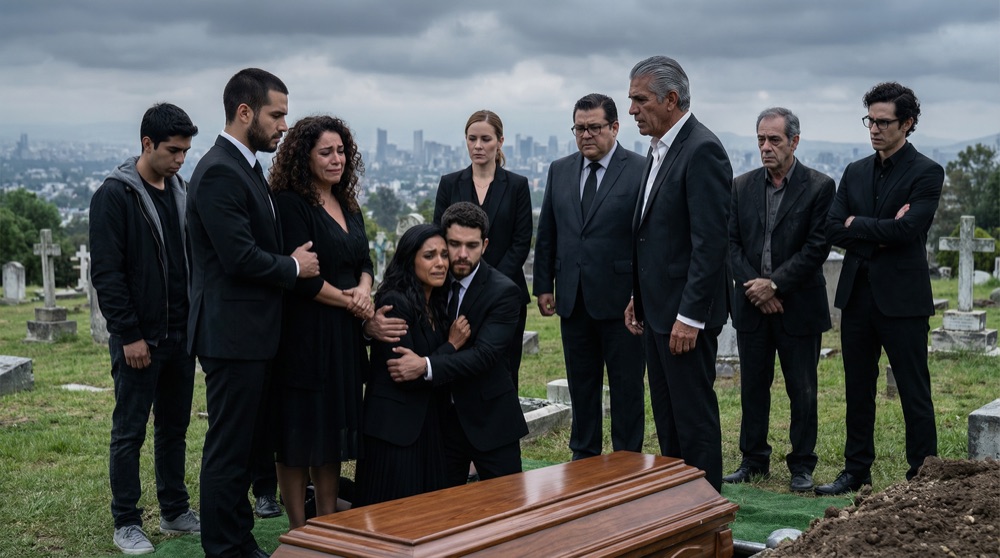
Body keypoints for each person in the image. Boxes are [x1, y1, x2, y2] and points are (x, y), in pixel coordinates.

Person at [187, 68, 319, 558]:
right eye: (276, 114)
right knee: (229, 448)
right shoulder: (221, 169)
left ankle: (237, 539)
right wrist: (294, 266)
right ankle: (225, 548)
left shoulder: (247, 166)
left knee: (244, 447)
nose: (284, 125)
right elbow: (237, 256)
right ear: (245, 112)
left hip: (252, 334)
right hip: (232, 335)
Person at [818, 82, 942, 496]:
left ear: (907, 123)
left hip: (902, 300)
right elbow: (833, 227)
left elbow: (909, 230)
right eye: (869, 120)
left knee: (913, 390)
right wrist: (876, 228)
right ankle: (856, 471)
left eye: (883, 122)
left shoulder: (926, 171)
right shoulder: (854, 172)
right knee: (858, 389)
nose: (874, 128)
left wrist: (859, 225)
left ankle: (922, 475)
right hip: (857, 296)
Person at [90, 103, 201, 555]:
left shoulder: (182, 190)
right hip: (140, 337)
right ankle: (126, 521)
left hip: (181, 335)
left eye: (186, 151)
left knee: (174, 428)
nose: (180, 160)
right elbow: (108, 274)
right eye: (173, 151)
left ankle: (174, 509)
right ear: (147, 144)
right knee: (129, 431)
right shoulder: (115, 195)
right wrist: (130, 333)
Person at [623, 56, 732, 492]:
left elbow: (710, 243)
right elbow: (654, 235)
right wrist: (640, 296)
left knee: (692, 415)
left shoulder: (701, 149)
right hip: (657, 310)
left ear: (671, 100)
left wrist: (690, 316)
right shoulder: (658, 149)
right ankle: (676, 501)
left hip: (684, 316)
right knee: (667, 414)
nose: (631, 109)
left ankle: (705, 504)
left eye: (639, 99)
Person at [268, 115, 374, 530]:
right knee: (298, 434)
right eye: (325, 152)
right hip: (305, 333)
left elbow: (364, 261)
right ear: (303, 156)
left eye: (341, 151)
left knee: (331, 433)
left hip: (345, 335)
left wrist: (364, 289)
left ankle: (329, 522)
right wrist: (352, 301)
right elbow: (302, 280)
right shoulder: (290, 204)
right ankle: (298, 528)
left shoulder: (348, 202)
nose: (336, 159)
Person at [724, 107, 835, 493]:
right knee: (753, 387)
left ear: (794, 142)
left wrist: (775, 286)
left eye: (774, 139)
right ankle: (753, 460)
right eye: (760, 139)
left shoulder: (820, 186)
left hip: (798, 307)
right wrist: (756, 287)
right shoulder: (740, 186)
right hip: (752, 307)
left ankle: (801, 465)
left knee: (802, 390)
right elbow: (732, 244)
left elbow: (816, 247)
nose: (766, 147)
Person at [533, 93, 646, 460]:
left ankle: (626, 459)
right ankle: (584, 457)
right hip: (573, 298)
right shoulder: (560, 169)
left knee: (626, 386)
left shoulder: (640, 169)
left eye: (594, 127)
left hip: (623, 303)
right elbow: (548, 231)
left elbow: (646, 238)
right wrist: (543, 286)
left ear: (614, 127)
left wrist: (640, 293)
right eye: (579, 128)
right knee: (582, 385)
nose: (586, 135)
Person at [384, 202, 528, 487]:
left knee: (509, 509)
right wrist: (369, 325)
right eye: (454, 244)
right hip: (438, 423)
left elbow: (484, 355)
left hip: (490, 420)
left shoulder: (504, 292)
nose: (462, 254)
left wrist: (424, 366)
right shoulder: (432, 281)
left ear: (485, 245)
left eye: (472, 245)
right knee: (443, 512)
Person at [354, 224, 471, 505]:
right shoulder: (394, 301)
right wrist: (452, 346)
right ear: (410, 259)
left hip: (427, 424)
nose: (441, 263)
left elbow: (423, 366)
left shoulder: (438, 302)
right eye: (429, 256)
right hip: (394, 430)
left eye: (444, 255)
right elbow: (406, 372)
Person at [433, 110, 531, 390]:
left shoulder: (517, 185)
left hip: (505, 292)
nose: (478, 145)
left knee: (505, 370)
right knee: (457, 368)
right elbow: (439, 235)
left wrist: (488, 286)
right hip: (454, 292)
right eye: (472, 138)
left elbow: (521, 242)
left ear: (500, 142)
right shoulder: (450, 183)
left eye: (485, 139)